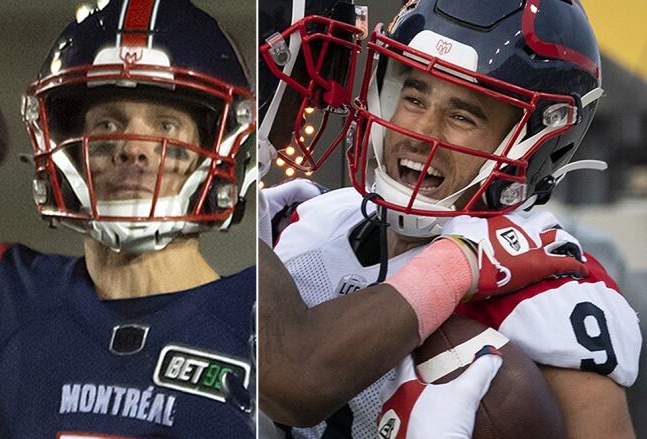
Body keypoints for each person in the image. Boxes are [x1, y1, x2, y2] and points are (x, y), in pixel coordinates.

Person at [0, 0, 256, 437]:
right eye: (108, 125)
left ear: (222, 146)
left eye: (166, 126)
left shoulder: (264, 324)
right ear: (66, 147)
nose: (134, 148)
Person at [258, 0, 641, 438]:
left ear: (535, 142)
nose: (422, 132)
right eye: (414, 97)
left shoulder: (549, 291)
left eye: (462, 115)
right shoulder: (304, 220)